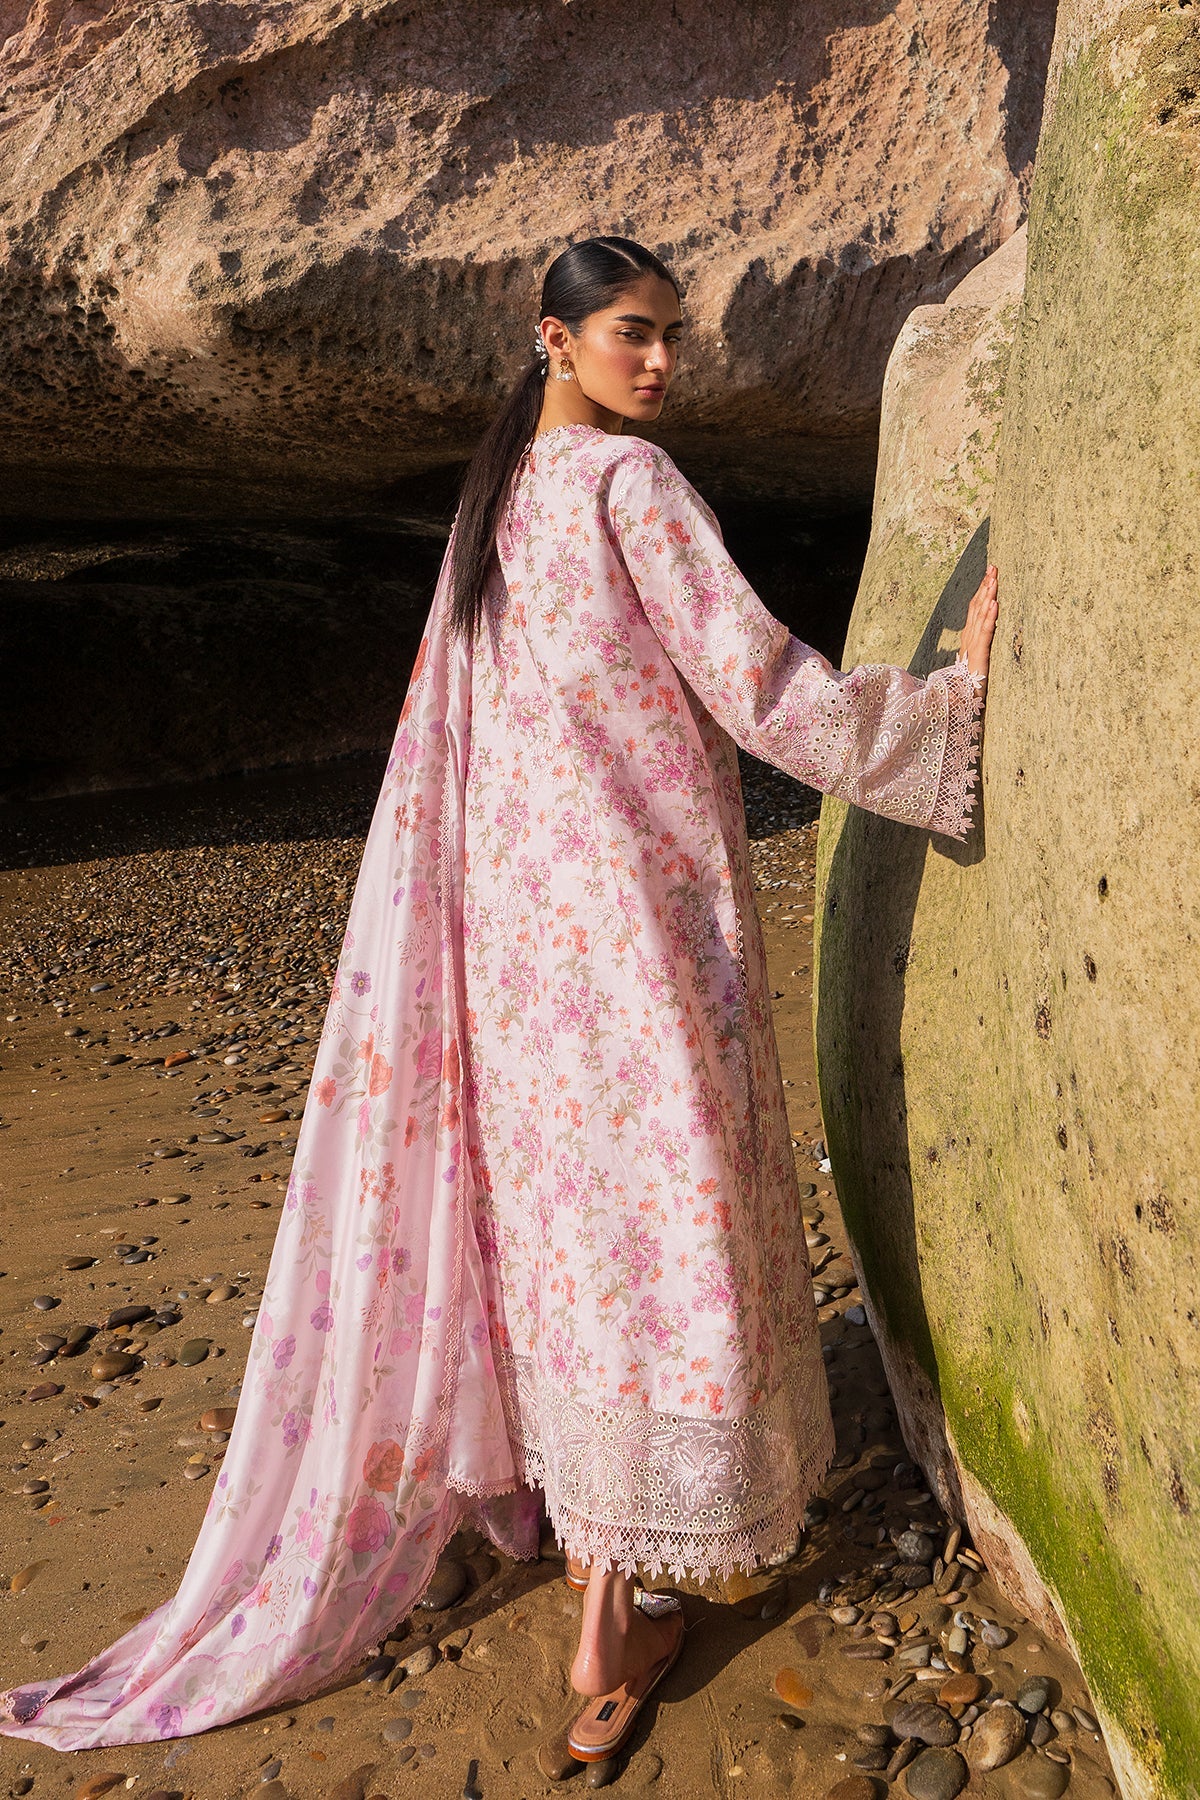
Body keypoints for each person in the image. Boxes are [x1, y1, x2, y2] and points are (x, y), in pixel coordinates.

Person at [1, 236, 997, 1763]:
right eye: (630, 333)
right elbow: (763, 691)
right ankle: (620, 1607)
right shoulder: (629, 489)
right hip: (640, 943)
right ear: (554, 337)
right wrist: (945, 712)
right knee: (667, 1228)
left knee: (576, 1246)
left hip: (522, 962)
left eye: (670, 337)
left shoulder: (498, 507)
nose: (659, 363)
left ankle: (600, 1561)